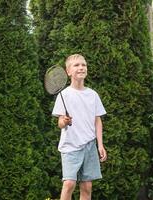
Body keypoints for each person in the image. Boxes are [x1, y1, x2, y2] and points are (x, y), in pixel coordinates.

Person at [52, 54, 107, 200]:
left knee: (87, 186)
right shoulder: (64, 94)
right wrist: (64, 121)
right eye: (76, 65)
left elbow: (98, 121)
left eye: (83, 65)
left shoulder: (93, 95)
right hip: (70, 146)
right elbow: (60, 123)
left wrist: (100, 145)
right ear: (68, 71)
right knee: (69, 183)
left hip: (89, 146)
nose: (81, 67)